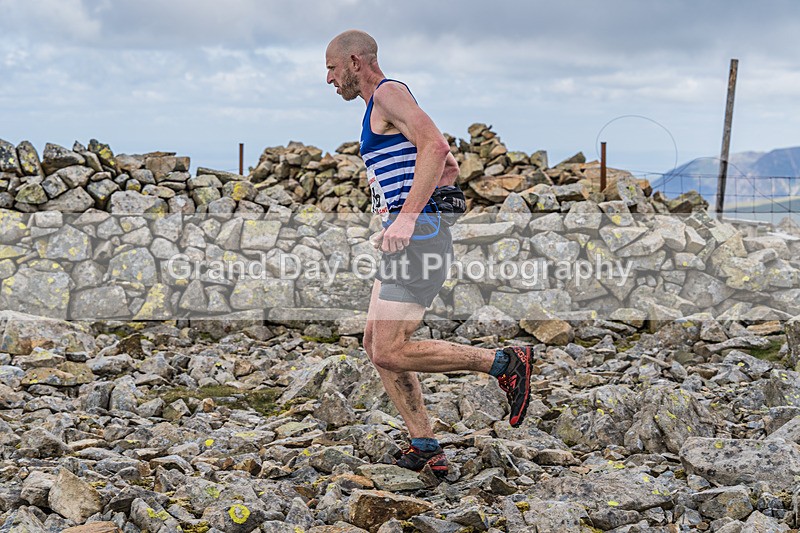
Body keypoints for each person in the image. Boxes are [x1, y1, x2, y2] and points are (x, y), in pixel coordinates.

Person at [325, 30, 533, 476]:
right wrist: (424, 197)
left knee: (389, 350)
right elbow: (448, 164)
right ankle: (425, 446)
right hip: (409, 235)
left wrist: (407, 215)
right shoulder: (379, 106)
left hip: (415, 237)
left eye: (331, 68)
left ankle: (503, 363)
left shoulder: (387, 94)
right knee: (374, 344)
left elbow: (436, 146)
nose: (328, 79)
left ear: (355, 62)